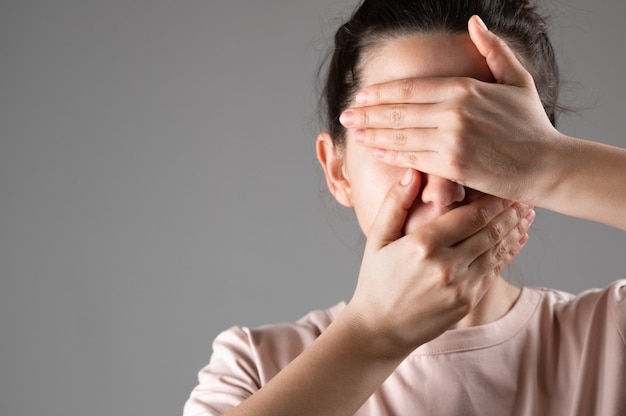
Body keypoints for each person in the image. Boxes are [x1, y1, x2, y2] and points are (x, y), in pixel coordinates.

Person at [184, 0, 626, 414]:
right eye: (403, 143)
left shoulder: (611, 339)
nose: (442, 191)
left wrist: (553, 163)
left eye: (482, 145)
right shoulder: (256, 367)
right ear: (337, 170)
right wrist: (372, 336)